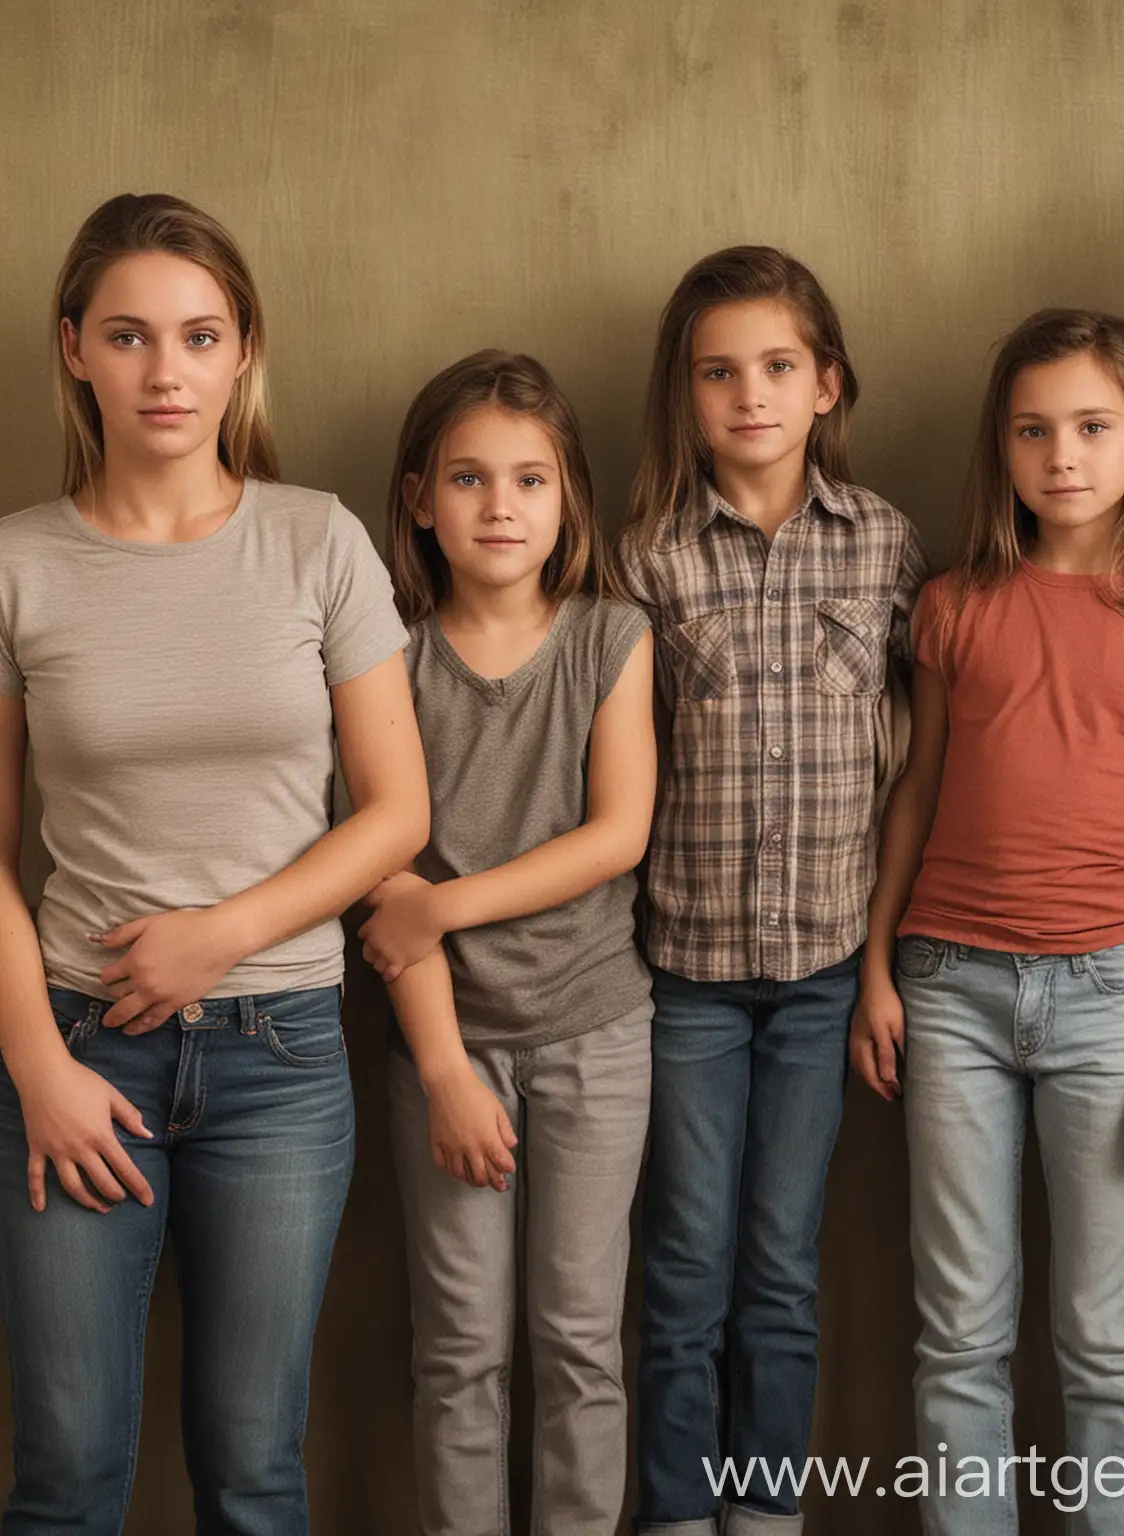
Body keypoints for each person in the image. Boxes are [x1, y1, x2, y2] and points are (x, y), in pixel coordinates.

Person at [0, 192, 428, 1534]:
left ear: (243, 350)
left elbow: (396, 812)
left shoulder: (319, 540)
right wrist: (38, 1074)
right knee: (66, 1472)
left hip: (283, 1060)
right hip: (75, 1051)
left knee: (253, 1470)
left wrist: (223, 932)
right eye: (129, 336)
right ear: (76, 349)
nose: (165, 370)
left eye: (197, 335)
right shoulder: (17, 565)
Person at [856, 309, 1124, 1533]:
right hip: (951, 990)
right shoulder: (957, 609)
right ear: (1002, 449)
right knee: (959, 1328)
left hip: (1113, 998)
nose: (1062, 455)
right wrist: (878, 970)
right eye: (1033, 431)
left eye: (1090, 426)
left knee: (1103, 1334)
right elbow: (912, 791)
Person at [618, 245, 928, 1536]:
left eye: (779, 367)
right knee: (685, 1270)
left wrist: (880, 971)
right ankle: (681, 1515)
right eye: (720, 371)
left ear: (828, 386)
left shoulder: (886, 545)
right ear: (686, 395)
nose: (751, 394)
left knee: (782, 1271)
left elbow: (927, 759)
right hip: (684, 974)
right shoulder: (646, 561)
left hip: (820, 977)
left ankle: (766, 1517)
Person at [359, 349, 655, 1536]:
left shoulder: (609, 640)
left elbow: (618, 835)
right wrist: (441, 1071)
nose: (500, 507)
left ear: (568, 499)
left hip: (595, 1033)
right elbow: (386, 887)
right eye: (470, 480)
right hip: (444, 1049)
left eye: (530, 480)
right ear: (422, 497)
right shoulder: (386, 659)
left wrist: (447, 900)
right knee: (462, 1349)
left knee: (581, 1340)